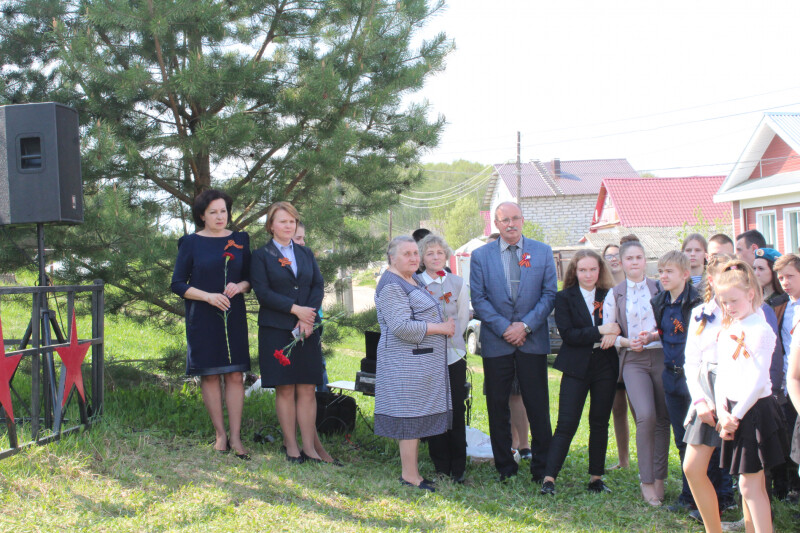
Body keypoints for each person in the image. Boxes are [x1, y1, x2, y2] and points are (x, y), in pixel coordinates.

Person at [470, 201, 557, 483]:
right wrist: (505, 328)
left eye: (515, 218)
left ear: (522, 220)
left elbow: (549, 294)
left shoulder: (542, 251)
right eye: (505, 220)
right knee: (498, 405)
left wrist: (525, 326)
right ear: (496, 224)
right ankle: (505, 467)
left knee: (537, 405)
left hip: (532, 341)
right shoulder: (481, 256)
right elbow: (478, 299)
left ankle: (542, 468)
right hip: (497, 341)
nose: (511, 224)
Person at [250, 202, 335, 465]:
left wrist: (307, 317)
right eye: (283, 221)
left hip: (307, 329)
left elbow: (317, 284)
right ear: (271, 225)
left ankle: (309, 448)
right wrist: (295, 309)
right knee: (285, 388)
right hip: (277, 328)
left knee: (308, 388)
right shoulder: (261, 255)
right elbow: (263, 293)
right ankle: (292, 447)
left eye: (292, 221)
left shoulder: (305, 253)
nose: (288, 225)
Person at [170, 189, 252, 459]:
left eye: (223, 211)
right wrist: (207, 296)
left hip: (233, 314)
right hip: (203, 317)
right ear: (202, 215)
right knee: (210, 375)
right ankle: (220, 435)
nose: (220, 216)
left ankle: (236, 437)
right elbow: (178, 284)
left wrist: (239, 286)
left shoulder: (240, 240)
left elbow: (250, 278)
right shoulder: (190, 243)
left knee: (235, 375)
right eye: (213, 212)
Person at [374, 235, 454, 492]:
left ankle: (413, 473)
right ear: (392, 258)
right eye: (406, 254)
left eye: (415, 253)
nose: (413, 258)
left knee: (414, 418)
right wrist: (440, 328)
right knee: (408, 419)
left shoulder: (411, 279)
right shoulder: (391, 285)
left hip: (418, 363)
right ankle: (410, 476)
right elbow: (401, 327)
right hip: (404, 364)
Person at [714, 259, 788, 533]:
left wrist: (734, 416)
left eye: (733, 301)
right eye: (724, 302)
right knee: (748, 484)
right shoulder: (728, 328)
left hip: (755, 410)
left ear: (751, 293)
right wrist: (722, 410)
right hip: (734, 410)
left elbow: (758, 381)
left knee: (750, 484)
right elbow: (722, 372)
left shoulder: (760, 328)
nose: (729, 307)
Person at [540, 250, 620, 496]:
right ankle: (549, 479)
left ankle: (596, 478)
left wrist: (614, 330)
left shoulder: (610, 295)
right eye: (583, 270)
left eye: (593, 269)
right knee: (566, 423)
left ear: (600, 270)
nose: (588, 275)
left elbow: (619, 326)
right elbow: (569, 335)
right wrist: (601, 330)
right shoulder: (564, 297)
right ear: (574, 272)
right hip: (575, 366)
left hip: (605, 365)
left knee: (599, 421)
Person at [603, 239, 670, 506]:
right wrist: (628, 342)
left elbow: (671, 324)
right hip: (633, 360)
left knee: (663, 418)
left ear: (645, 260)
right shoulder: (615, 294)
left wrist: (653, 336)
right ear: (621, 262)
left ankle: (660, 477)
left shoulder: (660, 287)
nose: (634, 262)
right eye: (629, 258)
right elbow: (609, 333)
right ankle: (647, 480)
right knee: (646, 415)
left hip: (661, 356)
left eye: (639, 257)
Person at [682, 253, 736, 533]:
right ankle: (714, 528)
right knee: (692, 468)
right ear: (711, 281)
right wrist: (700, 401)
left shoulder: (748, 312)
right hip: (707, 390)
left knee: (748, 473)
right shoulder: (700, 313)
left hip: (739, 390)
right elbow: (691, 362)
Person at [649, 250, 704, 512]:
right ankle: (687, 496)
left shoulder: (697, 302)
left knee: (702, 439)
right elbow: (664, 333)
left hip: (693, 377)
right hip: (670, 374)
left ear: (685, 274)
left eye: (669, 271)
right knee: (681, 438)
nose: (663, 276)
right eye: (661, 271)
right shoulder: (659, 301)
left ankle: (721, 496)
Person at [418, 234, 470, 483]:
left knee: (456, 407)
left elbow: (462, 318)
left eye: (439, 252)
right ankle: (440, 464)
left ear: (446, 255)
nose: (435, 257)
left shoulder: (457, 283)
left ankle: (458, 467)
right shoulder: (415, 283)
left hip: (453, 354)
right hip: (427, 355)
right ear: (422, 258)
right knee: (435, 407)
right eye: (430, 253)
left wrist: (453, 341)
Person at [487, 232, 531, 459]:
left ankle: (523, 444)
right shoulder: (484, 270)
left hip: (522, 338)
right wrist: (503, 328)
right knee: (498, 399)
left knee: (517, 396)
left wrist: (519, 329)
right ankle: (507, 445)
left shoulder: (522, 264)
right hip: (495, 340)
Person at [605, 242, 635, 470]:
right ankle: (623, 460)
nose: (613, 259)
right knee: (617, 408)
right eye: (609, 256)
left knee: (639, 409)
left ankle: (646, 458)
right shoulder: (602, 289)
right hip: (612, 356)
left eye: (617, 255)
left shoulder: (635, 286)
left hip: (634, 354)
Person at [775, 253, 800, 499]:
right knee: (788, 434)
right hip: (786, 382)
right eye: (781, 278)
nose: (785, 282)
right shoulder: (780, 305)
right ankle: (790, 487)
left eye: (790, 276)